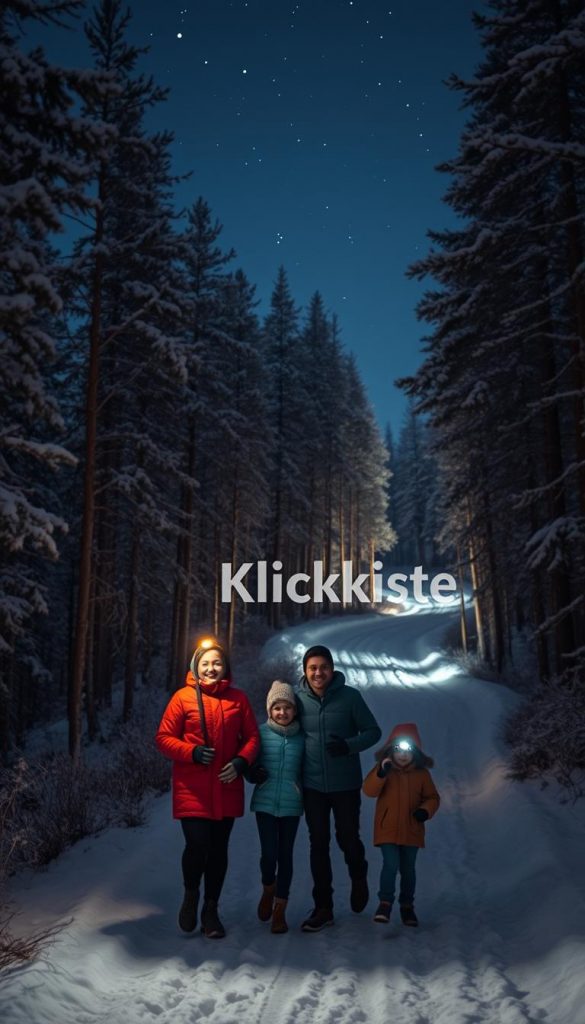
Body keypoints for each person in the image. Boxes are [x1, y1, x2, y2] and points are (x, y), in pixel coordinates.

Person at [155, 638, 260, 938]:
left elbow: (252, 737)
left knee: (218, 850)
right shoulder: (182, 698)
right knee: (197, 844)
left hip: (227, 785)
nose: (211, 668)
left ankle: (210, 909)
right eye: (205, 663)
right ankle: (191, 895)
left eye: (217, 663)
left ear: (225, 666)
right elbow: (163, 738)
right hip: (193, 788)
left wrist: (241, 762)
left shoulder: (238, 699)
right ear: (195, 667)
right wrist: (192, 752)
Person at [296, 644, 382, 932]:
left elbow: (373, 731)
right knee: (317, 843)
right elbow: (282, 729)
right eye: (312, 668)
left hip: (345, 783)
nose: (318, 673)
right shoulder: (297, 699)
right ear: (305, 672)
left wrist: (348, 746)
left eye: (323, 667)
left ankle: (359, 874)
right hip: (312, 785)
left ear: (332, 669)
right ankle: (323, 907)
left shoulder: (350, 697)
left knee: (347, 837)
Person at [362, 722, 440, 927]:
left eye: (408, 750)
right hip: (387, 829)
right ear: (390, 750)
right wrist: (381, 772)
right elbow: (369, 791)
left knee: (408, 869)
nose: (403, 755)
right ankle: (385, 902)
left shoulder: (422, 774)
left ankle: (407, 906)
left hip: (412, 829)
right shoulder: (384, 770)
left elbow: (433, 797)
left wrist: (425, 811)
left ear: (416, 752)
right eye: (398, 749)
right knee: (390, 864)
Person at [247, 680, 305, 934]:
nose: (282, 713)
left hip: (292, 804)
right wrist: (252, 774)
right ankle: (268, 886)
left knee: (286, 855)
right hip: (265, 803)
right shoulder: (259, 734)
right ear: (270, 709)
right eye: (277, 708)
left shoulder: (303, 738)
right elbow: (249, 762)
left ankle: (280, 909)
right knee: (269, 854)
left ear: (294, 710)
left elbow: (309, 770)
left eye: (287, 708)